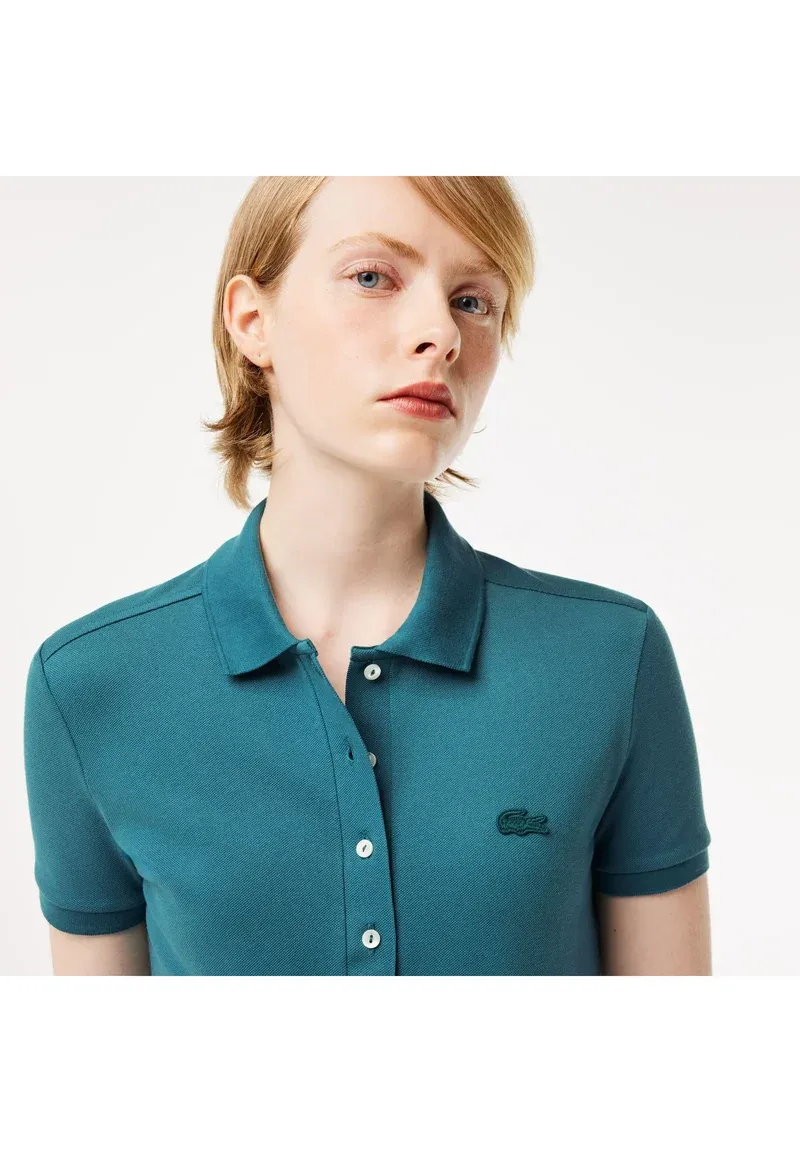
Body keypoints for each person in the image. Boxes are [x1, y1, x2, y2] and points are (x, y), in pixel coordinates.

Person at [22, 176, 712, 976]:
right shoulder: (90, 688)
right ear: (252, 321)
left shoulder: (609, 660)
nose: (440, 334)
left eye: (473, 300)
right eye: (374, 277)